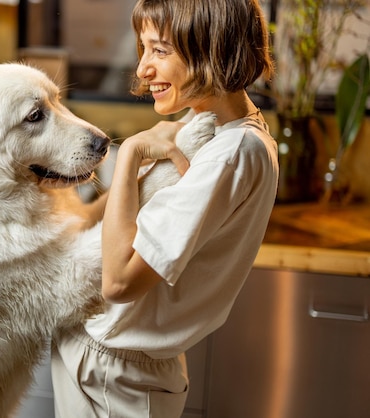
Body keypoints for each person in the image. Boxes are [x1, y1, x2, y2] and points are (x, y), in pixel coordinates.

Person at [51, 0, 279, 417]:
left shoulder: (230, 155)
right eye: (143, 48)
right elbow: (127, 212)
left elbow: (119, 283)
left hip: (114, 373)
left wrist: (133, 151)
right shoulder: (213, 128)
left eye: (160, 50)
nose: (141, 69)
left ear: (211, 48)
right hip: (109, 364)